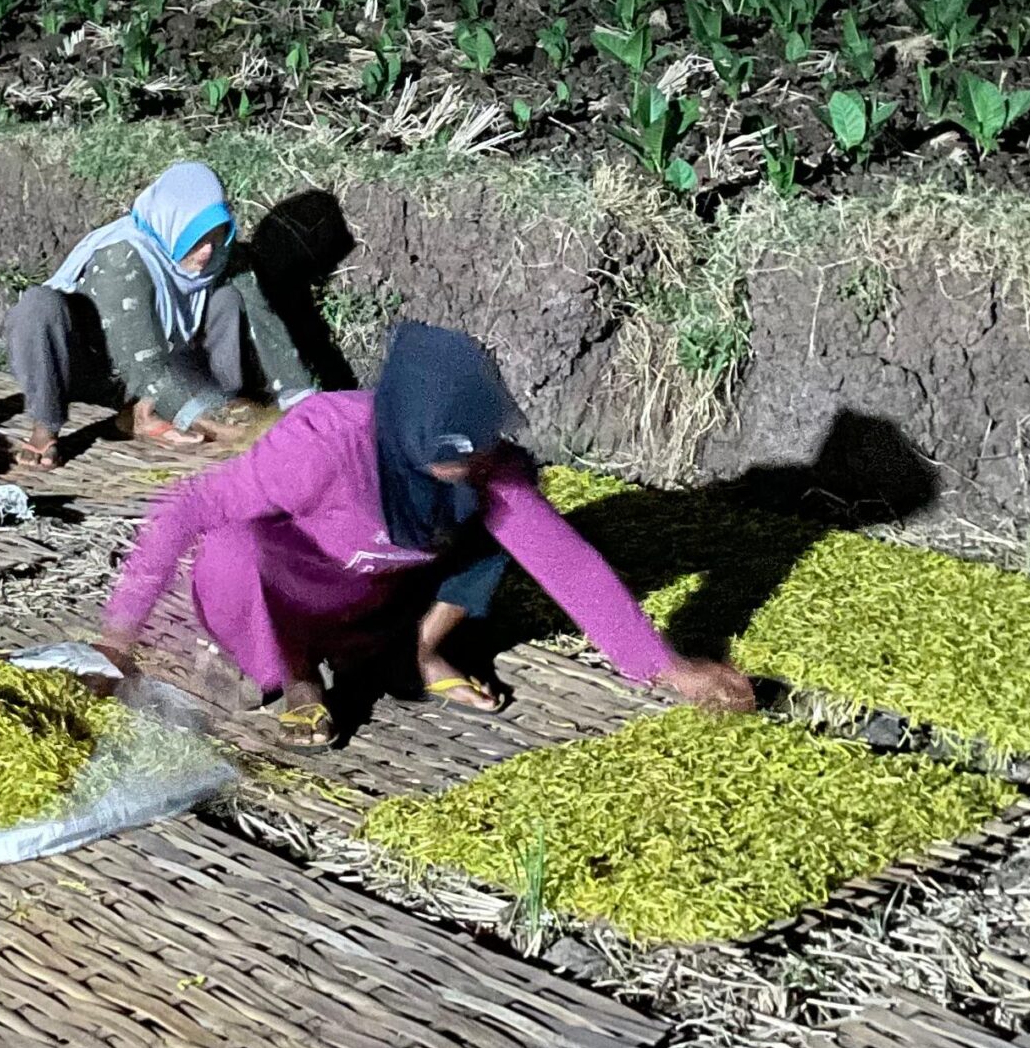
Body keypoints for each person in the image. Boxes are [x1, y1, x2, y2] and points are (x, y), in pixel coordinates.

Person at [95, 319, 754, 745]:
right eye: (456, 449)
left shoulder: (485, 466)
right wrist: (117, 642)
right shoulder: (324, 443)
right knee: (232, 546)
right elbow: (183, 511)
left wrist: (665, 668)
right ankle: (297, 676)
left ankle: (410, 648)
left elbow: (567, 564)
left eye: (480, 444)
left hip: (376, 597)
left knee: (503, 512)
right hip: (283, 588)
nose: (475, 460)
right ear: (408, 431)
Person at [6, 160, 316, 470]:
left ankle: (206, 404)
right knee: (39, 305)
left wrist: (303, 404)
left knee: (228, 297)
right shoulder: (122, 257)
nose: (207, 251)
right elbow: (139, 364)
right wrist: (211, 426)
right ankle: (45, 429)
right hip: (98, 368)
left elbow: (266, 323)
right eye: (196, 238)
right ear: (171, 225)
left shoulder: (223, 254)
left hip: (168, 361)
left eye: (215, 236)